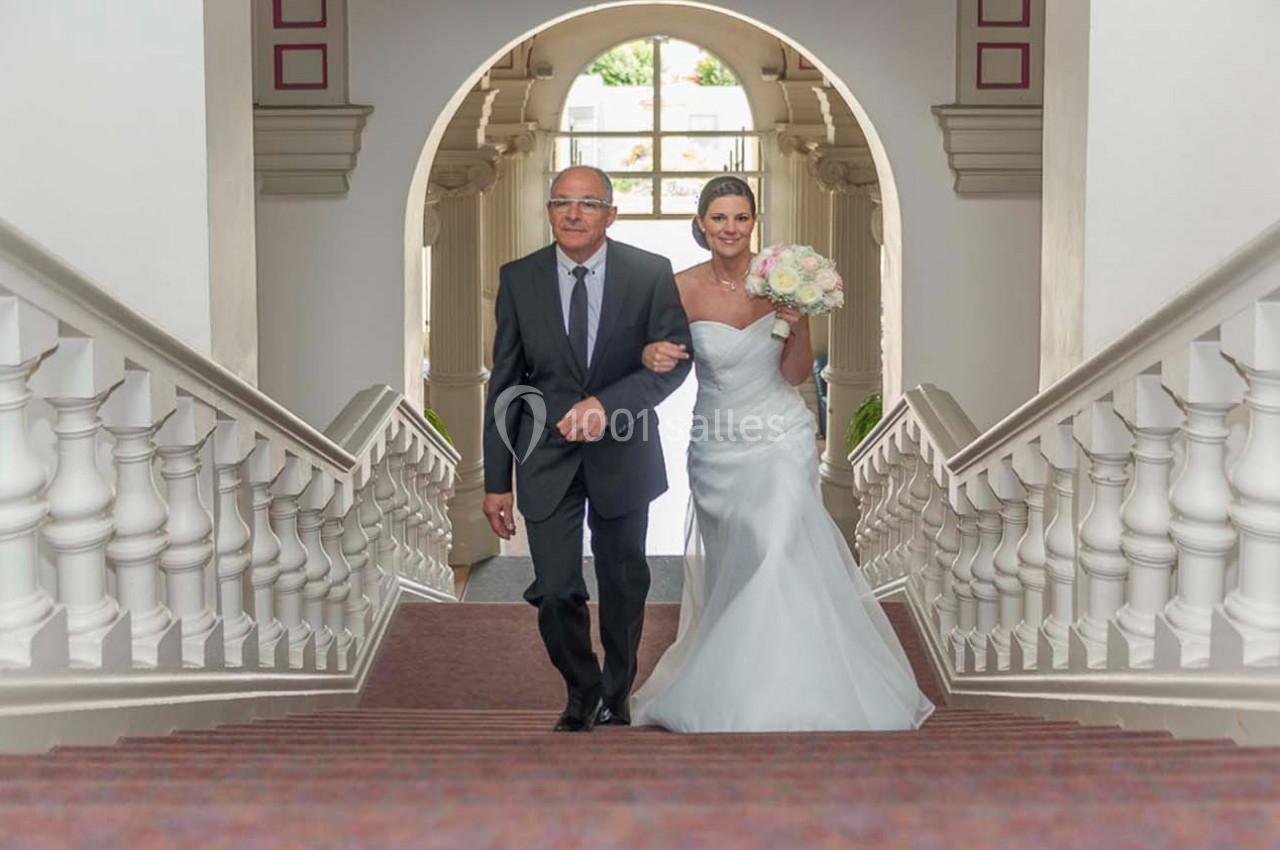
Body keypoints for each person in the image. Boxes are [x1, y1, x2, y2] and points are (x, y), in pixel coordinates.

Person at [629, 176, 934, 732]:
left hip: (781, 435)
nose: (730, 228)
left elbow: (796, 374)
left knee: (776, 547)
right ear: (700, 224)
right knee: (739, 559)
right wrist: (650, 351)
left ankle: (791, 687)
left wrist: (793, 327)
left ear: (754, 222)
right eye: (719, 218)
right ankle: (735, 678)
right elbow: (661, 358)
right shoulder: (678, 288)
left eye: (740, 218)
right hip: (718, 440)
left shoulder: (786, 280)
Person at [481, 166, 693, 732]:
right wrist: (496, 480)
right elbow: (503, 383)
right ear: (549, 212)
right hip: (543, 457)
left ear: (611, 213)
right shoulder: (519, 278)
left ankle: (616, 697)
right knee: (554, 588)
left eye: (588, 204)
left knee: (624, 582)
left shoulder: (648, 273)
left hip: (623, 454)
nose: (573, 214)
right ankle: (584, 687)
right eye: (561, 203)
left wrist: (607, 404)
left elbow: (674, 361)